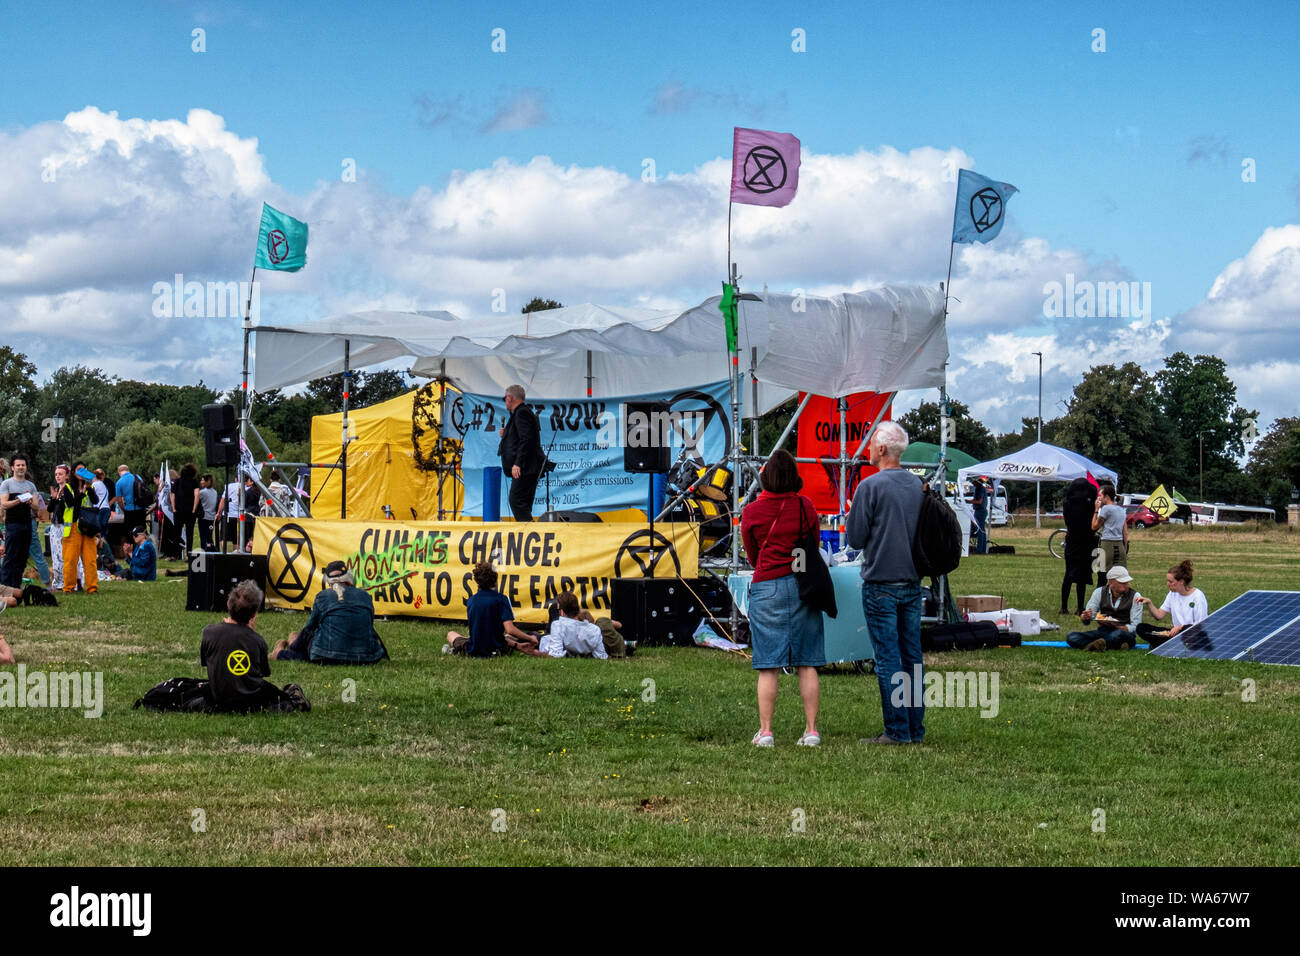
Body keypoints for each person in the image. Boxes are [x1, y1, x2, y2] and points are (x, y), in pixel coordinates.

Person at [740, 448, 825, 747]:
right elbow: (812, 546)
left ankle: (765, 732)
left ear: (765, 477)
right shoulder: (806, 507)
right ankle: (811, 730)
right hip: (802, 584)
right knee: (807, 661)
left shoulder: (751, 512)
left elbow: (752, 554)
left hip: (767, 586)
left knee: (768, 664)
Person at [847, 421, 924, 745]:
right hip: (912, 579)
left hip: (880, 581)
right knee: (912, 656)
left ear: (881, 449)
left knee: (888, 657)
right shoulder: (918, 487)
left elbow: (856, 538)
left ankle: (896, 730)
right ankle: (914, 728)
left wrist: (855, 513)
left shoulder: (870, 487)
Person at [271, 560, 389, 664]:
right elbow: (368, 626)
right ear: (349, 577)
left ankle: (282, 652)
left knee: (312, 642)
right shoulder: (365, 596)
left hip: (327, 655)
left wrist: (294, 646)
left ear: (328, 580)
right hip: (366, 657)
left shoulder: (323, 597)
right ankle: (289, 644)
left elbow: (309, 629)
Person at [199, 580, 286, 712]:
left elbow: (207, 663)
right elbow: (264, 672)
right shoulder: (258, 641)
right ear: (254, 615)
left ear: (229, 605)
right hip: (251, 700)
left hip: (219, 697)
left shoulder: (209, 632)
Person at [444, 562, 539, 656]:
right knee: (508, 636)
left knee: (451, 634)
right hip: (498, 650)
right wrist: (530, 638)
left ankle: (456, 649)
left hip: (473, 649)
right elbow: (510, 629)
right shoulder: (502, 599)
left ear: (477, 581)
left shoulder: (471, 600)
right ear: (495, 579)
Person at [497, 384, 545, 522]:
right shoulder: (520, 413)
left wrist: (517, 463)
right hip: (527, 467)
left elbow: (527, 439)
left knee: (516, 500)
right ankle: (528, 530)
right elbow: (521, 437)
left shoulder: (522, 413)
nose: (504, 401)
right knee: (522, 502)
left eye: (505, 398)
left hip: (525, 468)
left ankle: (529, 531)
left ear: (510, 398)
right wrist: (507, 434)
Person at [1066, 566, 1144, 651]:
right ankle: (1108, 645)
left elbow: (1136, 626)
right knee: (1071, 636)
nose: (1126, 585)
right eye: (1122, 582)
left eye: (1126, 582)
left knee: (1118, 635)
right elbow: (1089, 617)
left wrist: (1123, 628)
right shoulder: (1099, 592)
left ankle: (1094, 645)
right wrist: (1085, 617)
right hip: (1103, 631)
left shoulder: (1135, 596)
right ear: (1111, 582)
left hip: (1124, 633)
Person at [1136, 559, 1208, 648]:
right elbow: (1159, 615)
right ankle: (1168, 643)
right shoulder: (1172, 594)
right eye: (1167, 581)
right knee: (1141, 628)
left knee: (1186, 631)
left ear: (1181, 581)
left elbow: (1201, 625)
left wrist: (1180, 627)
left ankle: (1162, 643)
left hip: (1192, 633)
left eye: (1171, 582)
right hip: (1175, 634)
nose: (1168, 584)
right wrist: (1149, 603)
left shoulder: (1198, 596)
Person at [1060, 477, 1099, 615]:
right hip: (1086, 541)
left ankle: (1064, 607)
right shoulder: (1089, 505)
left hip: (1071, 540)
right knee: (1082, 577)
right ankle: (1080, 607)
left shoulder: (1067, 503)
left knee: (1068, 574)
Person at [534, 590, 608, 658]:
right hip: (554, 639)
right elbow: (601, 656)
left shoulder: (558, 625)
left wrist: (535, 653)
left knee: (532, 637)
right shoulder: (595, 629)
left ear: (562, 612)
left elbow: (555, 654)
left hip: (544, 642)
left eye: (558, 610)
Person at [1, 455, 39, 588]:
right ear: (12, 468)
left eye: (23, 465)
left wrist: (29, 503)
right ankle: (6, 587)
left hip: (27, 525)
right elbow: (4, 504)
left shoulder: (31, 485)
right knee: (11, 556)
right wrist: (18, 500)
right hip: (13, 525)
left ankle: (16, 586)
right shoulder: (7, 484)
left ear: (26, 467)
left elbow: (36, 507)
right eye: (18, 465)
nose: (21, 467)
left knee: (22, 558)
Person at [1092, 482, 1128, 588]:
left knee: (1102, 575)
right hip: (1120, 546)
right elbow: (1125, 533)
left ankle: (1101, 599)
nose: (1099, 499)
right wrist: (1124, 548)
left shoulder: (1106, 509)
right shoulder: (1121, 510)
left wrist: (1096, 510)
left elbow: (1094, 526)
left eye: (1100, 496)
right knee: (1119, 576)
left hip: (1107, 544)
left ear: (1106, 496)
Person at [172, 463, 200, 555]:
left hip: (178, 510)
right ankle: (189, 553)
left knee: (177, 533)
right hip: (190, 511)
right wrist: (194, 509)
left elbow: (172, 495)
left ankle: (175, 554)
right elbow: (197, 495)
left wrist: (173, 508)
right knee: (189, 533)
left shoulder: (177, 481)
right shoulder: (194, 482)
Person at [114, 464, 145, 534]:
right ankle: (143, 544)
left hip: (129, 511)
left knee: (130, 533)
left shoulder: (119, 482)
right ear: (128, 470)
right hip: (141, 509)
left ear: (119, 472)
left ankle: (131, 544)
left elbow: (119, 500)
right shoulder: (138, 477)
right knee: (142, 532)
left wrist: (124, 509)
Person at [197, 474, 219, 552]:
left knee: (203, 537)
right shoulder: (215, 492)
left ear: (207, 482)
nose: (201, 481)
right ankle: (212, 550)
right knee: (209, 537)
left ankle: (204, 551)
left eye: (202, 480)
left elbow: (196, 501)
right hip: (211, 518)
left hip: (203, 517)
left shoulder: (202, 492)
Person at [970, 475, 989, 555]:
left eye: (973, 482)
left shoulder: (980, 489)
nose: (972, 483)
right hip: (980, 510)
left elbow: (979, 501)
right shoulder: (978, 488)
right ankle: (983, 549)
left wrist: (968, 501)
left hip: (980, 511)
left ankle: (980, 549)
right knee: (982, 530)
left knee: (980, 530)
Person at [91, 468, 112, 538]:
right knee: (103, 533)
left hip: (99, 509)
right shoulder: (103, 484)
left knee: (99, 533)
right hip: (107, 509)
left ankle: (102, 547)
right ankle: (104, 546)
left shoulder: (95, 484)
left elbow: (89, 496)